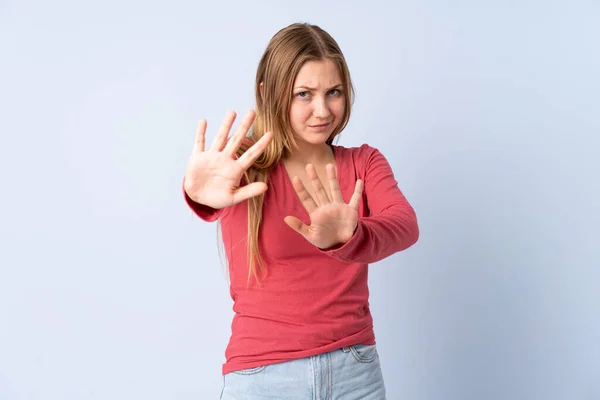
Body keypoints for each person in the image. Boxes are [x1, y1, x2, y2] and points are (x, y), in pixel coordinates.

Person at [183, 22, 419, 400]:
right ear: (269, 93)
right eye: (304, 94)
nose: (322, 110)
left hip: (354, 370)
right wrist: (198, 195)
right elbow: (210, 196)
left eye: (334, 92)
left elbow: (405, 225)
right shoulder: (244, 163)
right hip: (262, 377)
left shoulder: (363, 162)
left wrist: (352, 235)